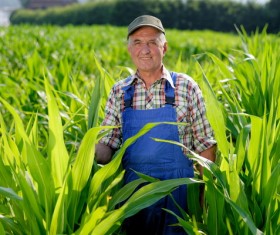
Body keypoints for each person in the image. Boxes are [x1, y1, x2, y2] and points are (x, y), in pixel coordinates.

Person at [95, 15, 216, 235]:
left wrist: (205, 196)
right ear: (129, 49)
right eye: (138, 43)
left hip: (180, 196)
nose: (145, 49)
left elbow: (204, 144)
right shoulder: (119, 92)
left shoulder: (186, 87)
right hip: (134, 197)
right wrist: (85, 154)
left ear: (165, 47)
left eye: (152, 42)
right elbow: (107, 144)